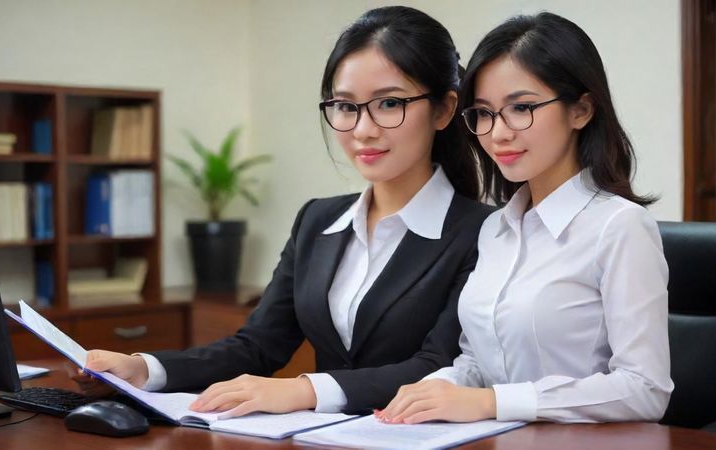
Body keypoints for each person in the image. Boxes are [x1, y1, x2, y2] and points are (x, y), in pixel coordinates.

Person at [76, 6, 493, 417]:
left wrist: (303, 390)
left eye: (388, 104)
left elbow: (436, 366)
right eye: (346, 106)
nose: (363, 129)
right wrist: (145, 368)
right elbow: (259, 345)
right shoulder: (317, 220)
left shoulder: (484, 232)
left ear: (443, 109)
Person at [378, 11, 673, 424]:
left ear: (581, 110)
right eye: (483, 113)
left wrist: (491, 403)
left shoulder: (620, 226)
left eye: (521, 108)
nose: (498, 133)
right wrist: (439, 386)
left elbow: (644, 390)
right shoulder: (495, 228)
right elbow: (479, 361)